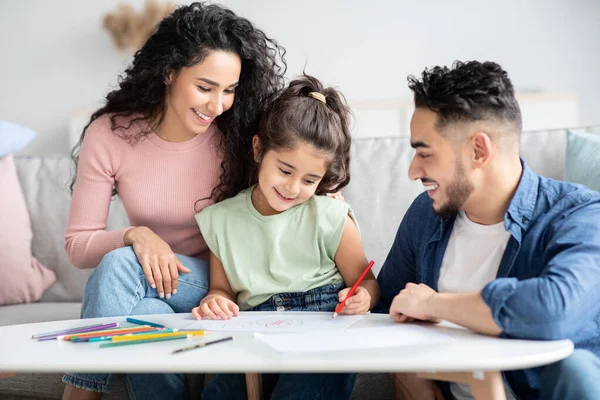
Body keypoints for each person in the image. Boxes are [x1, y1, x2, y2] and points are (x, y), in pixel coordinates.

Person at [62, 2, 286, 399]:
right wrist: (136, 235)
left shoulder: (238, 136)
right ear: (169, 72)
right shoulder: (110, 135)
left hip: (221, 285)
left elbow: (298, 181)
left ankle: (80, 394)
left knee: (118, 268)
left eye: (229, 90)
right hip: (147, 289)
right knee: (147, 316)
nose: (217, 106)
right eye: (205, 87)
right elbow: (78, 246)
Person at [374, 60, 600, 400]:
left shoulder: (579, 214)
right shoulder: (426, 215)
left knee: (576, 369)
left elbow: (553, 311)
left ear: (479, 150)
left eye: (425, 153)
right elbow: (388, 309)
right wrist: (410, 376)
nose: (412, 171)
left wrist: (436, 305)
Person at [193, 75, 380, 400]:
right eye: (285, 170)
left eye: (309, 180)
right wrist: (216, 300)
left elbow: (367, 282)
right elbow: (221, 288)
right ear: (258, 149)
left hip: (323, 327)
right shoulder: (222, 220)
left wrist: (362, 297)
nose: (293, 188)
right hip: (255, 330)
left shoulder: (330, 216)